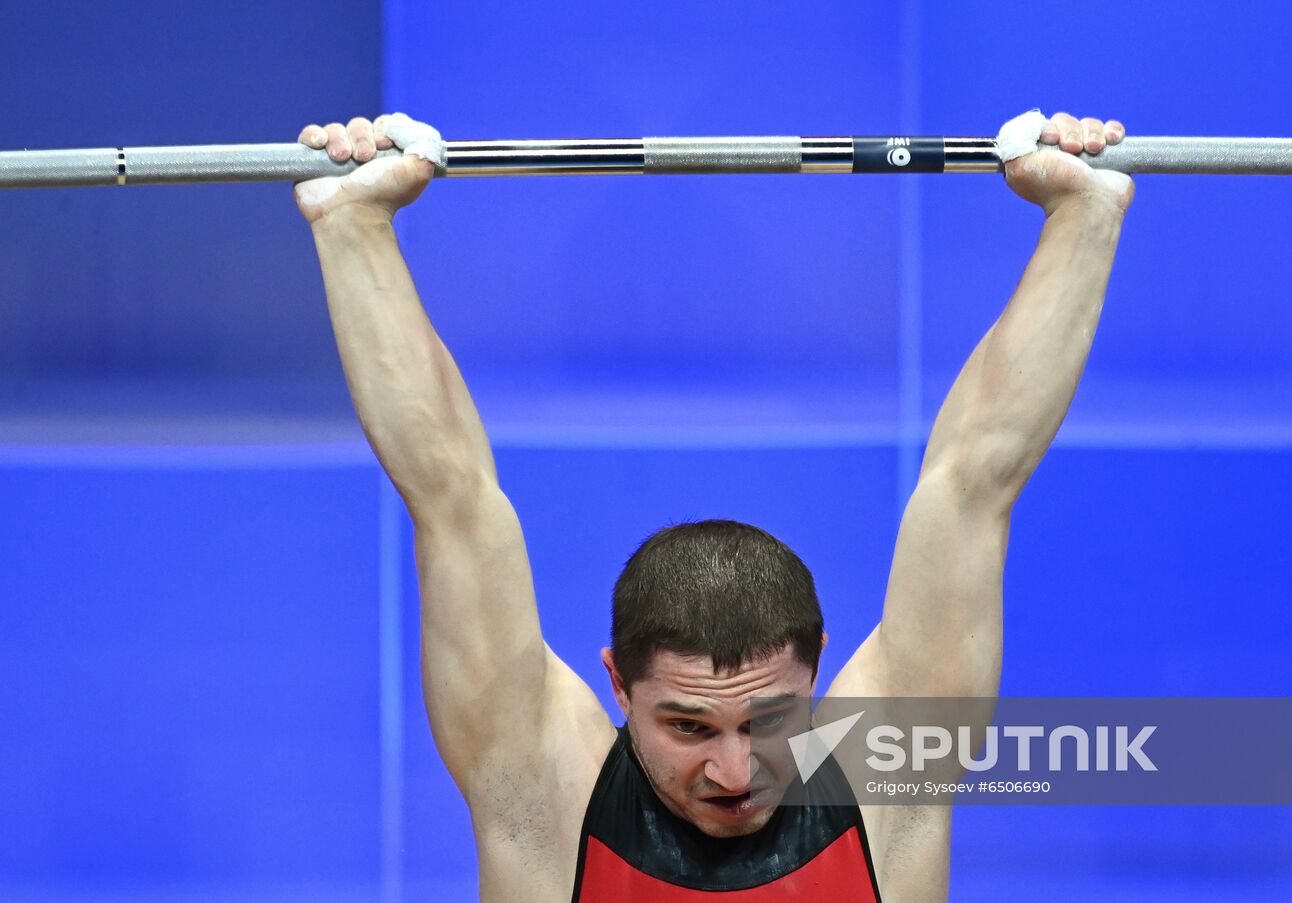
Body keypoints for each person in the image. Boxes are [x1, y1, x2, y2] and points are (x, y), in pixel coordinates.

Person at [295, 110, 1133, 902]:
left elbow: (975, 477)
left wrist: (1083, 215)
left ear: (817, 675)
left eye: (769, 719)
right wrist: (352, 225)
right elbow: (449, 494)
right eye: (690, 727)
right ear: (618, 684)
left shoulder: (883, 785)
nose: (735, 772)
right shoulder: (547, 795)